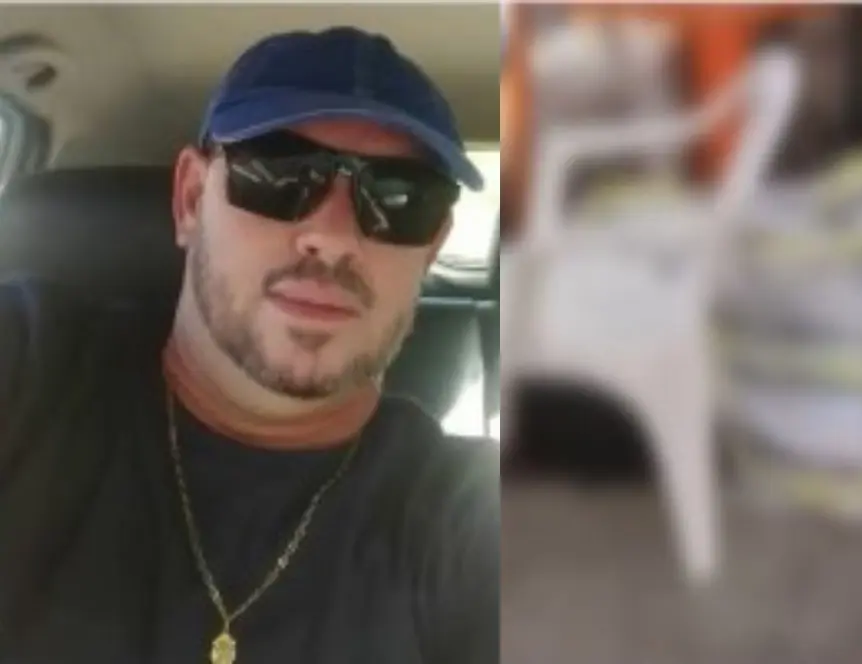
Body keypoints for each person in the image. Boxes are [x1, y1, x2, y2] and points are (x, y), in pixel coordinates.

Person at [0, 26, 498, 664]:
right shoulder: (30, 365)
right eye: (280, 173)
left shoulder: (475, 516)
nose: (334, 236)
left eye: (401, 198)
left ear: (430, 250)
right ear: (190, 199)